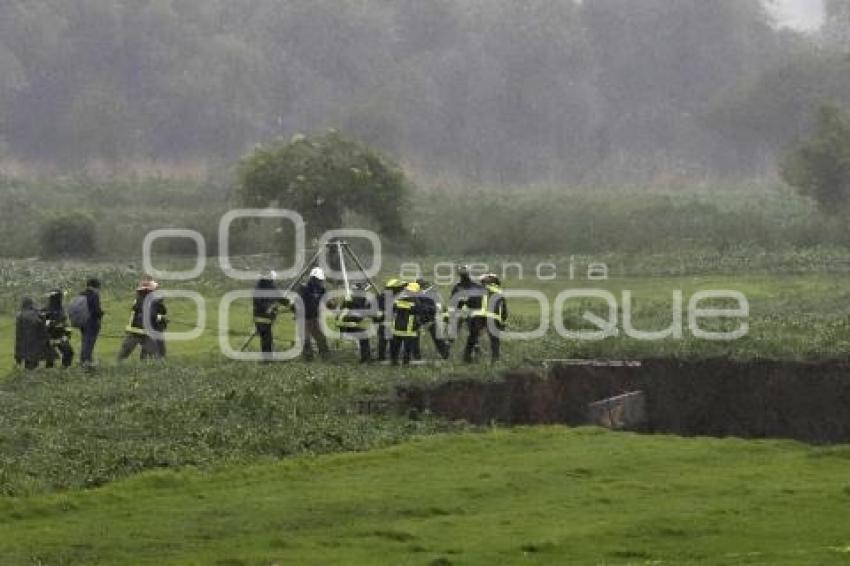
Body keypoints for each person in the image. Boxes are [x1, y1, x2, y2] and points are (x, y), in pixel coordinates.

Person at [118, 277, 168, 361]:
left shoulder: (139, 300)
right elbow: (151, 314)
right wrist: (160, 317)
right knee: (155, 356)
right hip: (141, 332)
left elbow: (160, 311)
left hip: (134, 331)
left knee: (123, 356)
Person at [466, 273, 508, 363]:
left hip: (479, 316)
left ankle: (467, 358)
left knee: (473, 337)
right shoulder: (499, 292)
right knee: (495, 340)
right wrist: (503, 322)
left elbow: (470, 303)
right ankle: (495, 360)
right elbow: (504, 310)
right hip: (494, 317)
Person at [391, 281, 434, 366]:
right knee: (407, 347)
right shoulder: (415, 300)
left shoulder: (398, 298)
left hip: (397, 327)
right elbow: (419, 310)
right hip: (409, 329)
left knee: (396, 346)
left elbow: (393, 308)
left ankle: (394, 362)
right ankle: (405, 362)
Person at [449, 265, 485, 361]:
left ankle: (446, 350)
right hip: (471, 313)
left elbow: (452, 302)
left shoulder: (457, 287)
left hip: (461, 312)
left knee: (454, 332)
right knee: (473, 333)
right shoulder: (476, 286)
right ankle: (476, 350)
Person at [296, 267, 330, 361]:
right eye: (318, 280)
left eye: (320, 280)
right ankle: (308, 358)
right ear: (313, 279)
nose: (320, 282)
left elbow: (326, 301)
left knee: (320, 337)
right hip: (303, 318)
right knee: (306, 339)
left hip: (314, 317)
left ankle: (325, 356)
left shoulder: (321, 290)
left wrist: (330, 304)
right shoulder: (303, 288)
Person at [413, 278, 450, 360]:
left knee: (437, 337)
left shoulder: (433, 294)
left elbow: (438, 307)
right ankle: (416, 356)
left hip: (432, 318)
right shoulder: (419, 294)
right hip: (422, 318)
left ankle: (444, 353)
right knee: (415, 337)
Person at [336, 282, 372, 363]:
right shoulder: (353, 299)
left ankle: (366, 358)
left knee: (364, 337)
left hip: (350, 323)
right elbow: (344, 311)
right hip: (348, 324)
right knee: (364, 337)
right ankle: (365, 358)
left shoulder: (358, 298)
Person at [253, 271, 285, 360]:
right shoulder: (259, 288)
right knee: (266, 338)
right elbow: (259, 303)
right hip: (261, 317)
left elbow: (280, 298)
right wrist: (269, 308)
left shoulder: (271, 287)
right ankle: (267, 359)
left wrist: (290, 303)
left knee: (267, 338)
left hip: (267, 317)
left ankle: (268, 357)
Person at [375, 278, 407, 362]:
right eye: (400, 287)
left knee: (391, 341)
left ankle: (391, 357)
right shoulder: (383, 297)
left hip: (392, 322)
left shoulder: (393, 296)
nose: (401, 289)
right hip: (386, 322)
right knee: (386, 341)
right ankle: (386, 357)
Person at [42, 289, 74, 368]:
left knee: (69, 352)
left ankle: (64, 369)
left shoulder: (61, 309)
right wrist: (54, 325)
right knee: (50, 357)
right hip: (49, 337)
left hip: (61, 336)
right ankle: (48, 373)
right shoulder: (46, 310)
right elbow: (45, 324)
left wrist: (67, 334)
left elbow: (66, 323)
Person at [15, 297, 47, 370]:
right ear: (31, 304)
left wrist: (18, 357)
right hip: (35, 344)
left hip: (24, 344)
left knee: (29, 364)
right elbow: (42, 327)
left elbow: (18, 335)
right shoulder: (37, 313)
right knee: (32, 365)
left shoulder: (19, 315)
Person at [79, 278, 104, 368]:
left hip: (82, 322)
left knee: (85, 341)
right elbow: (95, 311)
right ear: (95, 286)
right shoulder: (94, 295)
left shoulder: (82, 294)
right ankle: (86, 361)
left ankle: (83, 360)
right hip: (92, 322)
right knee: (89, 342)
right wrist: (101, 313)